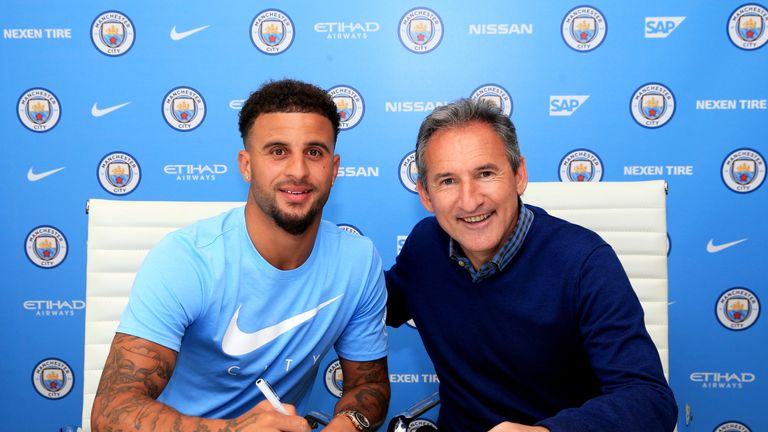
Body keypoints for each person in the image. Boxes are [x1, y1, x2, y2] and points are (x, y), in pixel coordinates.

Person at [92, 79, 390, 432]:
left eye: (314, 152)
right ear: (246, 165)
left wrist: (348, 424)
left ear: (334, 167)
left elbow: (368, 385)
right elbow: (111, 411)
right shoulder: (186, 260)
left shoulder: (358, 261)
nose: (298, 170)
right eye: (278, 151)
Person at [385, 99, 677, 432]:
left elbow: (650, 399)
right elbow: (370, 305)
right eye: (448, 181)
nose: (469, 200)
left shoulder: (585, 263)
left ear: (518, 175)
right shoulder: (426, 246)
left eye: (485, 173)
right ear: (425, 194)